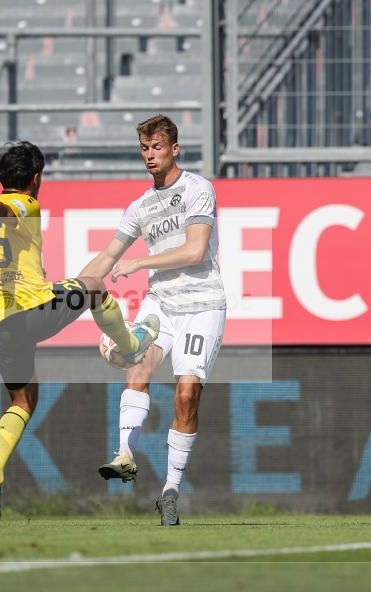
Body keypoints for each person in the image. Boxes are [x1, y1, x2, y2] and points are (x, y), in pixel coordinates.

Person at [0, 141, 159, 522]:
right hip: (30, 310)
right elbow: (7, 207)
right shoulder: (25, 204)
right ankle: (131, 346)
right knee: (94, 286)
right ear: (36, 178)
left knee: (22, 401)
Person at [80, 115, 226, 526]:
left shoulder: (199, 189)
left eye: (157, 147)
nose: (150, 155)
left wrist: (140, 261)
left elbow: (196, 251)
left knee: (185, 396)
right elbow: (107, 257)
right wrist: (71, 288)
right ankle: (125, 455)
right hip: (161, 302)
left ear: (174, 149)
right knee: (138, 366)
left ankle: (170, 491)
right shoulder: (140, 206)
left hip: (202, 305)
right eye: (144, 148)